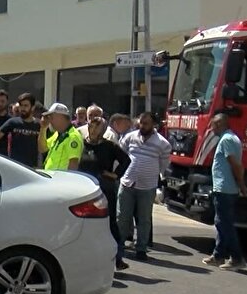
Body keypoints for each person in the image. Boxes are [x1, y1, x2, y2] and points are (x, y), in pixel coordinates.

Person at [78, 115, 131, 270]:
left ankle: (118, 258)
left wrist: (115, 174)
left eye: (97, 127)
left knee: (110, 223)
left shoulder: (109, 146)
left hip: (104, 188)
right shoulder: (81, 143)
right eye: (91, 126)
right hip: (84, 189)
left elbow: (126, 160)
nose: (93, 130)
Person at [117, 112, 171, 261]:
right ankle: (118, 246)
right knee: (122, 217)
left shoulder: (162, 143)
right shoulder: (131, 137)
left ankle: (141, 248)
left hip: (147, 186)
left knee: (144, 219)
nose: (142, 126)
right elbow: (121, 154)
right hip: (128, 183)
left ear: (154, 125)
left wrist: (152, 173)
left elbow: (164, 164)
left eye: (146, 123)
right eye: (141, 123)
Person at [202, 113, 247, 271]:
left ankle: (237, 258)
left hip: (225, 188)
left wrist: (242, 185)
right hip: (224, 187)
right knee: (221, 222)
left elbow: (235, 165)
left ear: (220, 124)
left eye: (213, 125)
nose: (211, 128)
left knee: (225, 224)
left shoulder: (227, 139)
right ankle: (218, 255)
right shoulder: (229, 138)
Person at [0, 92, 41, 168]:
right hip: (15, 167)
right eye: (21, 105)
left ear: (33, 107)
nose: (22, 108)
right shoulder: (13, 122)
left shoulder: (39, 124)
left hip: (33, 168)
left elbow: (45, 147)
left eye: (26, 105)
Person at [39, 102, 84, 171]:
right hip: (53, 178)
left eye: (51, 117)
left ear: (60, 117)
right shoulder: (57, 134)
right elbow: (42, 149)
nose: (49, 121)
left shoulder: (73, 136)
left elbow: (73, 164)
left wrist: (66, 180)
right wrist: (43, 128)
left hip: (61, 179)